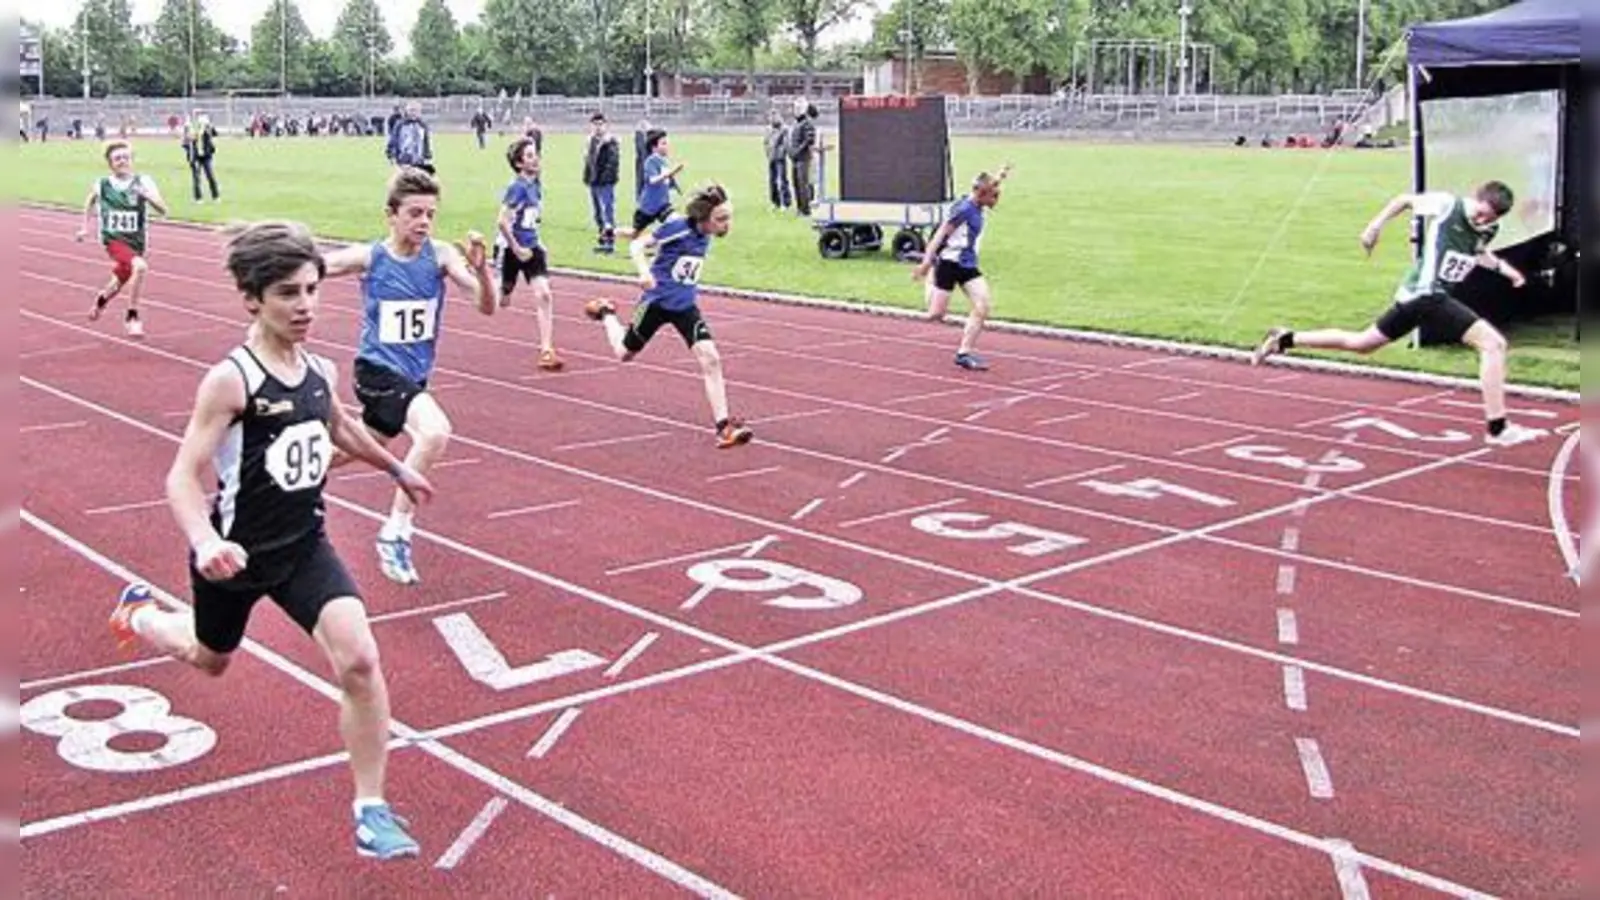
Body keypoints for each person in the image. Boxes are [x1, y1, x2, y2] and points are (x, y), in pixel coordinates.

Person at [108, 220, 435, 860]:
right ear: (252, 298)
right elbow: (181, 476)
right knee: (210, 658)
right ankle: (141, 612)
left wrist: (395, 467)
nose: (306, 305)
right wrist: (205, 544)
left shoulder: (317, 368)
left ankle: (371, 808)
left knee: (361, 662)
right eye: (289, 293)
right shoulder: (231, 380)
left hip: (304, 547)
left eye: (313, 289)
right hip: (234, 555)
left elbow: (339, 425)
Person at [1252, 180, 1546, 447]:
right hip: (1426, 294)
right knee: (1493, 344)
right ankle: (1497, 427)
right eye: (1481, 213)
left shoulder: (1488, 229)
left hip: (1421, 300)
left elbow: (1477, 251)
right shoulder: (1447, 205)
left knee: (1362, 344)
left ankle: (1285, 339)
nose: (1482, 220)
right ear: (1476, 198)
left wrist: (1506, 270)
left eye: (1490, 218)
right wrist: (1375, 225)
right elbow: (1404, 200)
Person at [321, 167, 497, 585]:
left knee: (358, 448)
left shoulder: (440, 257)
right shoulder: (371, 258)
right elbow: (320, 266)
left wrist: (483, 270)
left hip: (413, 378)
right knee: (434, 432)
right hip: (376, 370)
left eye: (430, 215)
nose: (423, 223)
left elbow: (486, 306)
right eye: (414, 213)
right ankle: (395, 533)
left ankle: (288, 474)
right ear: (392, 215)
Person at [581, 184, 753, 449]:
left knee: (711, 358)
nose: (726, 224)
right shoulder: (678, 228)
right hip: (656, 303)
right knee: (623, 353)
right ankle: (606, 313)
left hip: (685, 307)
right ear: (703, 218)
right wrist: (644, 272)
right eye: (721, 219)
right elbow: (638, 245)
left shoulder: (705, 234)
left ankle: (723, 427)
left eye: (728, 217)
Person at [913, 165, 1011, 371]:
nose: (995, 200)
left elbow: (989, 184)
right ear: (981, 194)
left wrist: (1001, 175)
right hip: (948, 263)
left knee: (982, 306)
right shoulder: (964, 210)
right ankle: (932, 277)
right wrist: (926, 263)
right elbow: (940, 234)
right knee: (935, 315)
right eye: (993, 196)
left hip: (967, 264)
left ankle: (964, 353)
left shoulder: (978, 200)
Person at [76, 140, 168, 338]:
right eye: (117, 158)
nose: (122, 161)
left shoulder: (143, 181)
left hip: (137, 241)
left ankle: (100, 301)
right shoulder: (103, 184)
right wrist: (84, 227)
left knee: (119, 281)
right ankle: (132, 317)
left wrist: (147, 196)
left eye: (126, 157)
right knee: (140, 267)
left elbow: (163, 210)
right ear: (110, 163)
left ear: (132, 160)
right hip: (113, 240)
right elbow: (90, 201)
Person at [494, 136, 562, 371]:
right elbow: (502, 221)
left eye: (536, 154)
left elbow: (531, 220)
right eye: (530, 156)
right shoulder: (517, 188)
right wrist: (516, 248)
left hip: (532, 247)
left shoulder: (536, 185)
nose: (536, 159)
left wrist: (536, 243)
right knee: (502, 299)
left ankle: (546, 348)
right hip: (511, 249)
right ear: (519, 163)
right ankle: (497, 283)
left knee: (544, 294)